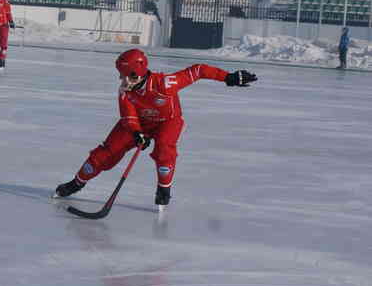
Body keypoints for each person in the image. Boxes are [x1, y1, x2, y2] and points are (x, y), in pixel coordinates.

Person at [54, 49, 257, 207]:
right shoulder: (125, 91)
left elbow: (199, 71)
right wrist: (136, 133)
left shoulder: (165, 84)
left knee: (164, 151)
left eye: (124, 75)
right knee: (107, 152)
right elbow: (128, 116)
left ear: (137, 74)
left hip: (167, 122)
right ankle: (77, 182)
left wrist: (228, 77)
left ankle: (164, 189)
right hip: (137, 124)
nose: (120, 80)